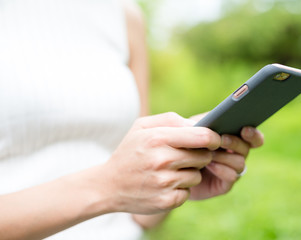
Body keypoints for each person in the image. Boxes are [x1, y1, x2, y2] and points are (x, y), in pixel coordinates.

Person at [0, 0, 264, 239]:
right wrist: (108, 187)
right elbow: (115, 186)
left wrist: (175, 176)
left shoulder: (124, 14)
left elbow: (139, 216)